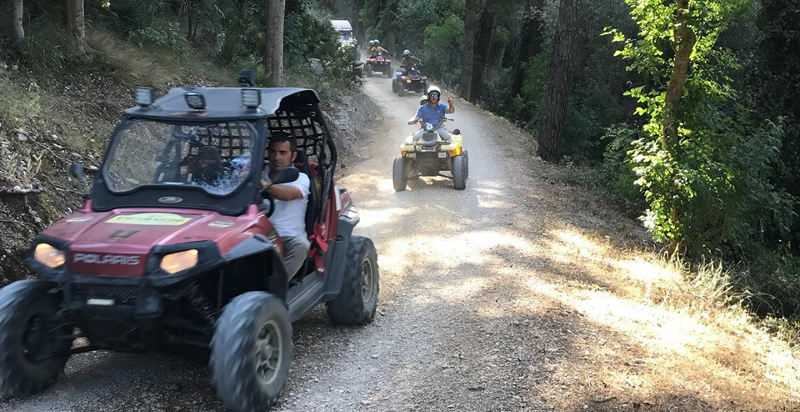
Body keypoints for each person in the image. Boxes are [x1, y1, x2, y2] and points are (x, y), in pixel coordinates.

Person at [261, 133, 311, 280]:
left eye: (283, 153)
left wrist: (262, 184)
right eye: (273, 152)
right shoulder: (259, 173)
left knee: (302, 246)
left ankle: (276, 288)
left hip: (289, 236)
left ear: (293, 156)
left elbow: (289, 194)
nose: (277, 158)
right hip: (260, 232)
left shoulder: (301, 178)